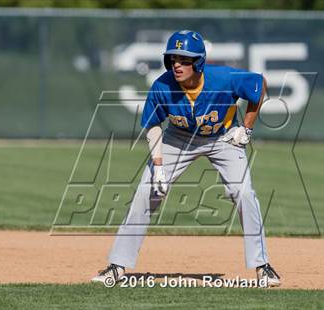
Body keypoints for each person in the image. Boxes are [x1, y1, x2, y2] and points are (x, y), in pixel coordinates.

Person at [91, 30, 280, 287]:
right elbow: (154, 125)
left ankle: (262, 267)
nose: (177, 64)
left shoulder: (223, 78)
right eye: (173, 59)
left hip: (222, 139)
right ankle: (117, 265)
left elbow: (259, 85)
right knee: (147, 192)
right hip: (177, 139)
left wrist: (246, 129)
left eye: (184, 59)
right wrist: (158, 166)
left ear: (199, 62)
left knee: (243, 193)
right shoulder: (162, 85)